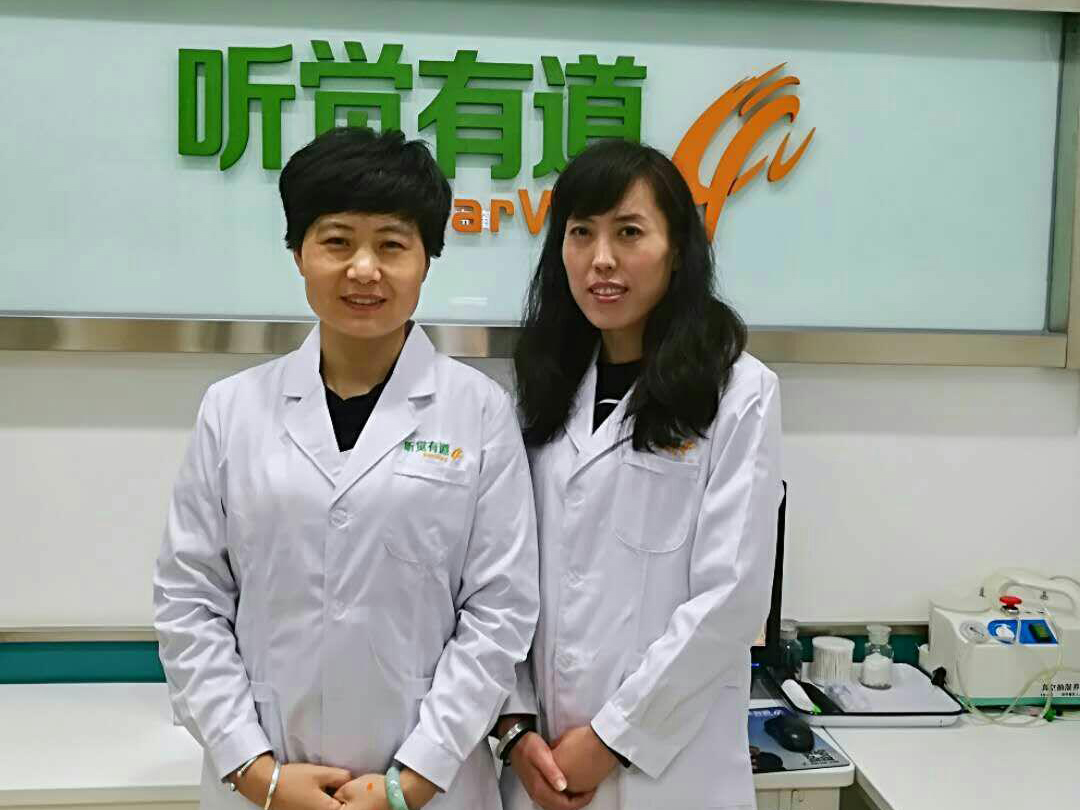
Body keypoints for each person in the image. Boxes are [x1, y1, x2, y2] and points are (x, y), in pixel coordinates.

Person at [154, 127, 539, 810]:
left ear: (427, 259)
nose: (364, 269)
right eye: (337, 241)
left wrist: (415, 777)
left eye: (391, 244)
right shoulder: (231, 410)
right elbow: (191, 601)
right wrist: (255, 770)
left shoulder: (480, 412)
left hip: (430, 785)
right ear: (298, 253)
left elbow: (499, 611)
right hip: (265, 777)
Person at [498, 139, 783, 810]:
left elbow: (731, 598)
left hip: (669, 773)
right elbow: (498, 577)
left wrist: (610, 739)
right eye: (581, 233)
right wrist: (513, 725)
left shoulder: (738, 392)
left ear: (677, 249)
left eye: (628, 232)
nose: (601, 259)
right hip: (539, 763)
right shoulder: (540, 388)